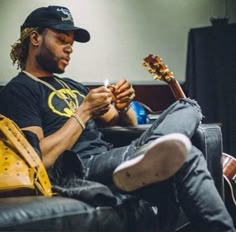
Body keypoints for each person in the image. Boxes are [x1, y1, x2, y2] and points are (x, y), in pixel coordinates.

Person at [0, 5, 235, 232]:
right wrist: (83, 112)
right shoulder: (20, 90)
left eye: (71, 43)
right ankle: (156, 154)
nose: (69, 48)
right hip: (79, 166)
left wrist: (123, 108)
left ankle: (153, 152)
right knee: (187, 155)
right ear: (35, 38)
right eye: (62, 40)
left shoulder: (73, 86)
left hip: (115, 156)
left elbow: (123, 122)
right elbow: (39, 159)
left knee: (188, 105)